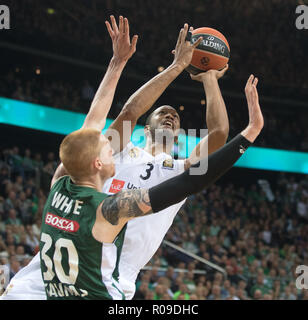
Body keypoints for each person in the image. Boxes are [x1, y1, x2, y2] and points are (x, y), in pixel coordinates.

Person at [1, 19, 264, 300]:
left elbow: (218, 134)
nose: (170, 115)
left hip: (110, 274)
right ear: (146, 128)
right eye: (162, 113)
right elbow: (128, 113)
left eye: (175, 117)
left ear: (177, 137)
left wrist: (209, 77)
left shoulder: (175, 167)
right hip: (58, 277)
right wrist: (177, 67)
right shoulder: (113, 159)